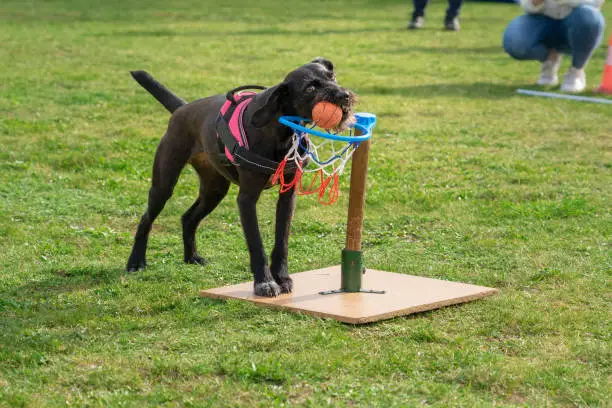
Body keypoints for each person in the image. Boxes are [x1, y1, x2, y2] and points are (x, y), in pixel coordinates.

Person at [503, 0, 606, 93]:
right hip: (542, 20)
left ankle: (576, 71)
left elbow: (596, 2)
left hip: (579, 23)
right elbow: (526, 6)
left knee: (589, 17)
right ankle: (550, 58)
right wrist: (535, 2)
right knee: (515, 41)